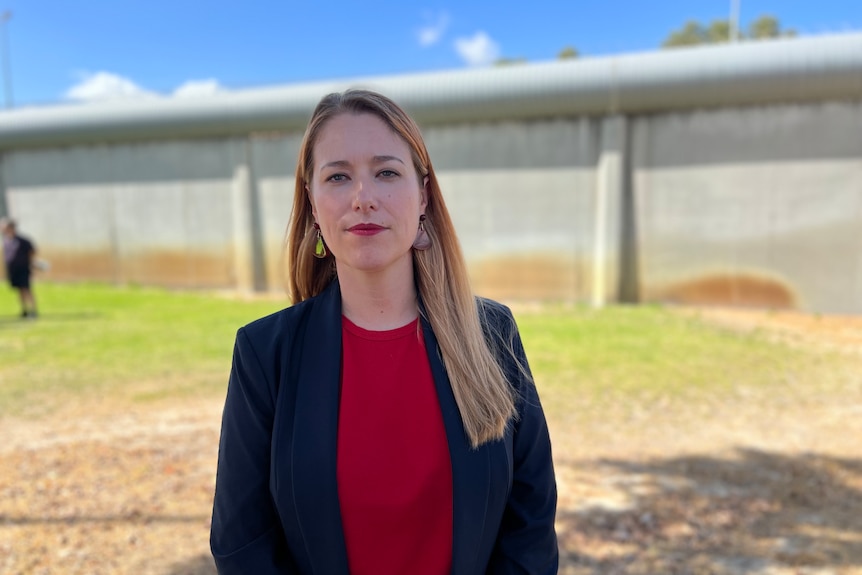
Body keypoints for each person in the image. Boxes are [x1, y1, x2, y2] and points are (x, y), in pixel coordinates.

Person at [210, 89, 558, 574]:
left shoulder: (491, 334)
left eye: (387, 172)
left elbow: (531, 522)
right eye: (338, 176)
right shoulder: (265, 353)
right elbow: (241, 544)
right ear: (312, 203)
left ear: (424, 196)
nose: (363, 198)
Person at [1, 217, 38, 319]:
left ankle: (33, 310)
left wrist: (31, 264)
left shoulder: (22, 241)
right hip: (13, 270)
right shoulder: (6, 241)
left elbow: (32, 252)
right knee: (19, 290)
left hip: (23, 269)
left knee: (27, 289)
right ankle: (24, 310)